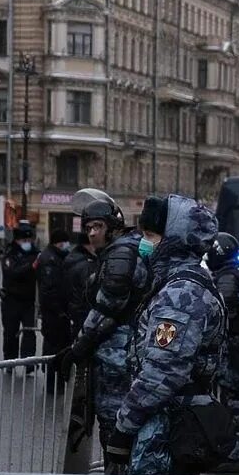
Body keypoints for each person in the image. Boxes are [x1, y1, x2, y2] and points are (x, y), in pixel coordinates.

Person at [103, 195, 225, 475]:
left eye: (152, 236)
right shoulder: (175, 283)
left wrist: (123, 428)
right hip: (170, 427)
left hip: (167, 430)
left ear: (174, 239)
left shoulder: (181, 293)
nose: (144, 242)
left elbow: (162, 374)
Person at [53, 189, 150, 460]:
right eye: (88, 228)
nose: (91, 233)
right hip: (121, 356)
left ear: (112, 227)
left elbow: (106, 308)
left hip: (118, 360)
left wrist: (77, 348)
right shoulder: (124, 249)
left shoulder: (120, 254)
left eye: (98, 226)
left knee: (115, 429)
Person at [207, 232, 239, 473]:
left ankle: (236, 455)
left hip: (234, 351)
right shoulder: (234, 275)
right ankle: (231, 451)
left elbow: (220, 310)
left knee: (232, 404)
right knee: (229, 402)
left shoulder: (228, 279)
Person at [37, 229, 73, 391]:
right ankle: (52, 383)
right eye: (65, 242)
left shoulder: (57, 256)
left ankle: (56, 381)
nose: (67, 245)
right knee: (53, 348)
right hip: (53, 314)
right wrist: (59, 311)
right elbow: (48, 290)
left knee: (58, 346)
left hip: (58, 313)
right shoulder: (49, 259)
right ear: (59, 242)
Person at [0, 221, 39, 365]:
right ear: (17, 240)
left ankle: (28, 363)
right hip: (11, 300)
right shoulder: (10, 254)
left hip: (29, 301)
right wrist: (31, 266)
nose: (27, 243)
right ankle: (9, 362)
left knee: (29, 332)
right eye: (24, 240)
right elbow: (13, 272)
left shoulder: (36, 253)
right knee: (11, 332)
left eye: (29, 240)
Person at [64, 232, 98, 339]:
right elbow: (89, 289)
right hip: (83, 311)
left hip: (74, 308)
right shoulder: (87, 264)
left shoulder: (72, 258)